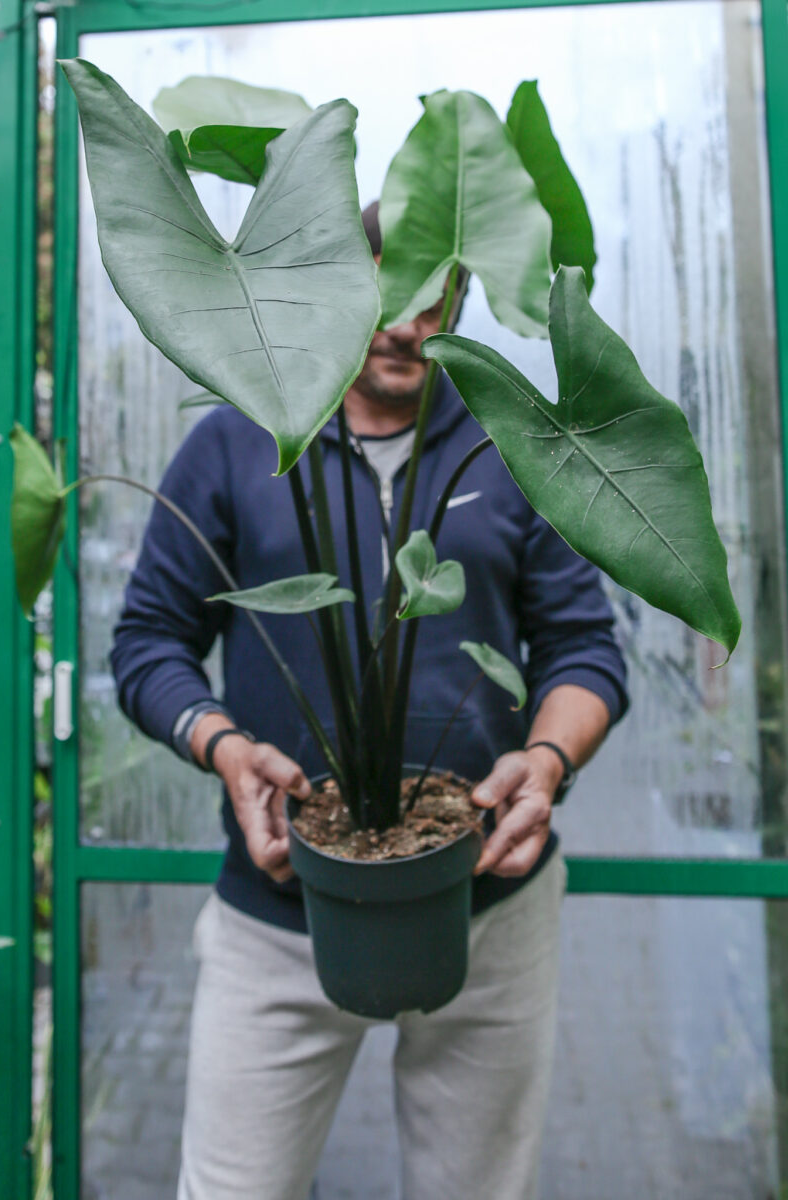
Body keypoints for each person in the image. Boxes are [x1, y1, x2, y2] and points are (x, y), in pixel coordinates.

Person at [111, 202, 628, 1200]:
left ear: (460, 297)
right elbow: (146, 644)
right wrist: (221, 746)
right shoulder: (237, 441)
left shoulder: (507, 443)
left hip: (489, 905)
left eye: (428, 296)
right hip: (279, 909)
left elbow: (581, 649)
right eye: (380, 294)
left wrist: (549, 761)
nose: (401, 324)